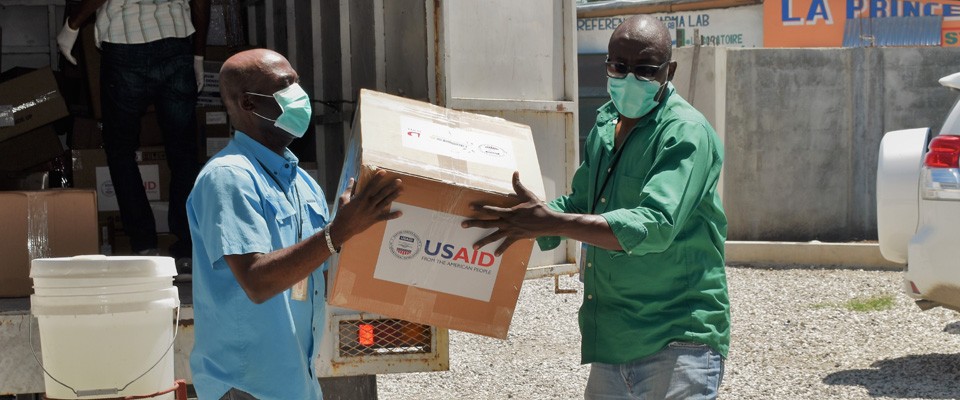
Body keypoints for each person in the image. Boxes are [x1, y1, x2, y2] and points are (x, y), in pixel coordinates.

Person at [463, 16, 729, 400]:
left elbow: (655, 225)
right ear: (606, 64)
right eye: (619, 66)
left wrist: (554, 222)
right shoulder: (607, 123)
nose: (629, 77)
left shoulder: (685, 133)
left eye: (644, 69)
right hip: (615, 340)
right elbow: (581, 203)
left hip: (677, 337)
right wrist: (525, 217)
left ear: (668, 71)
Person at [186, 49, 403, 400]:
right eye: (285, 86)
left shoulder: (303, 183)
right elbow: (256, 280)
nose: (299, 95)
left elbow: (319, 272)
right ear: (248, 103)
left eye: (297, 82)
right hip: (246, 388)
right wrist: (337, 233)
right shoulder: (229, 177)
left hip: (296, 385)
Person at [56, 0, 209, 277]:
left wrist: (72, 25)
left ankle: (145, 246)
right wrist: (198, 55)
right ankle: (186, 250)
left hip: (125, 44)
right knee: (183, 151)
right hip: (176, 41)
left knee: (120, 149)